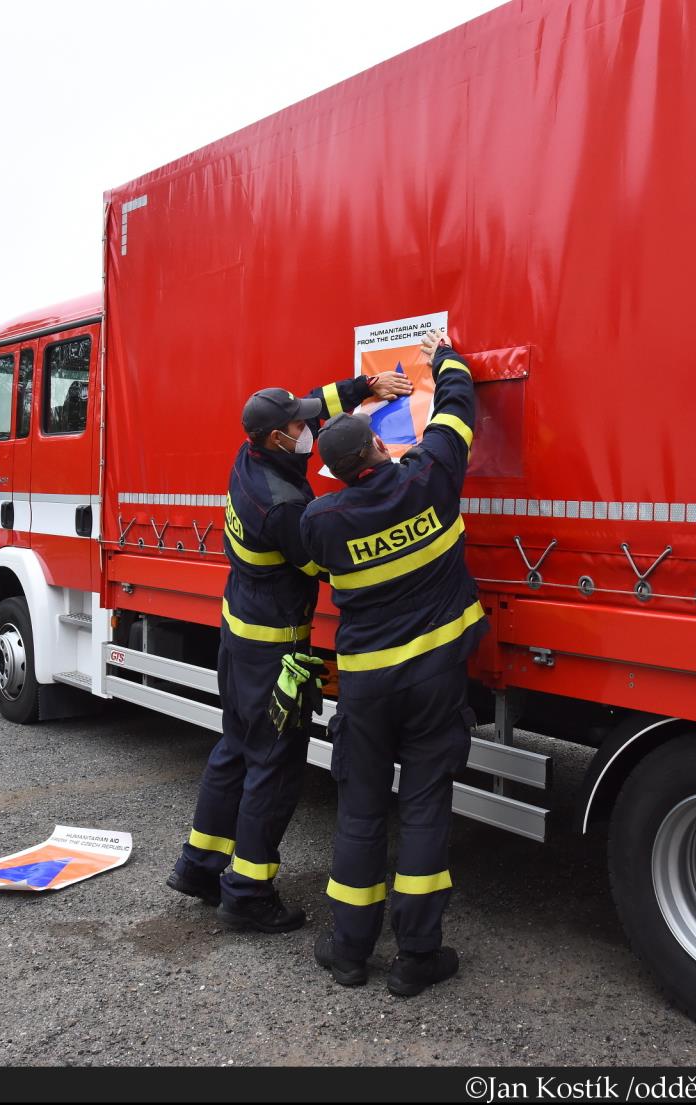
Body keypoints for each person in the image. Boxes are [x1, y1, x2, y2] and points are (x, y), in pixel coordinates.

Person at [167, 368, 413, 933]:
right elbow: (322, 566)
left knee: (235, 747)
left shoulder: (249, 456)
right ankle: (248, 892)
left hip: (239, 636)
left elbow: (315, 403)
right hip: (272, 651)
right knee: (273, 765)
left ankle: (200, 866)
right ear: (278, 438)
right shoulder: (280, 507)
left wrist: (364, 387)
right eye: (300, 427)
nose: (310, 429)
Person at [301, 327, 484, 996]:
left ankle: (349, 952)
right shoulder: (428, 479)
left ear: (334, 470)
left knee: (360, 812)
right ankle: (416, 958)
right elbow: (455, 416)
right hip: (436, 679)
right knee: (426, 808)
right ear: (381, 446)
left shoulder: (322, 519)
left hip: (367, 686)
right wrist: (447, 360)